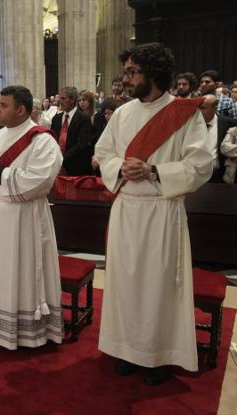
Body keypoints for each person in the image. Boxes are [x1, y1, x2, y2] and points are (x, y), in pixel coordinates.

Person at [95, 42, 213, 385]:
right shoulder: (122, 113)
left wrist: (154, 171)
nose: (126, 79)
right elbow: (103, 153)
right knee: (126, 283)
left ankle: (158, 354)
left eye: (133, 72)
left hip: (162, 212)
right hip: (127, 210)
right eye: (127, 72)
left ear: (154, 74)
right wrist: (121, 167)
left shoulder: (183, 113)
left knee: (158, 286)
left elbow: (202, 164)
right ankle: (129, 349)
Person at [0, 85, 63, 350]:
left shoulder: (43, 140)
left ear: (21, 109)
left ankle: (28, 332)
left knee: (23, 271)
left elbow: (40, 180)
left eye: (3, 105)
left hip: (25, 221)